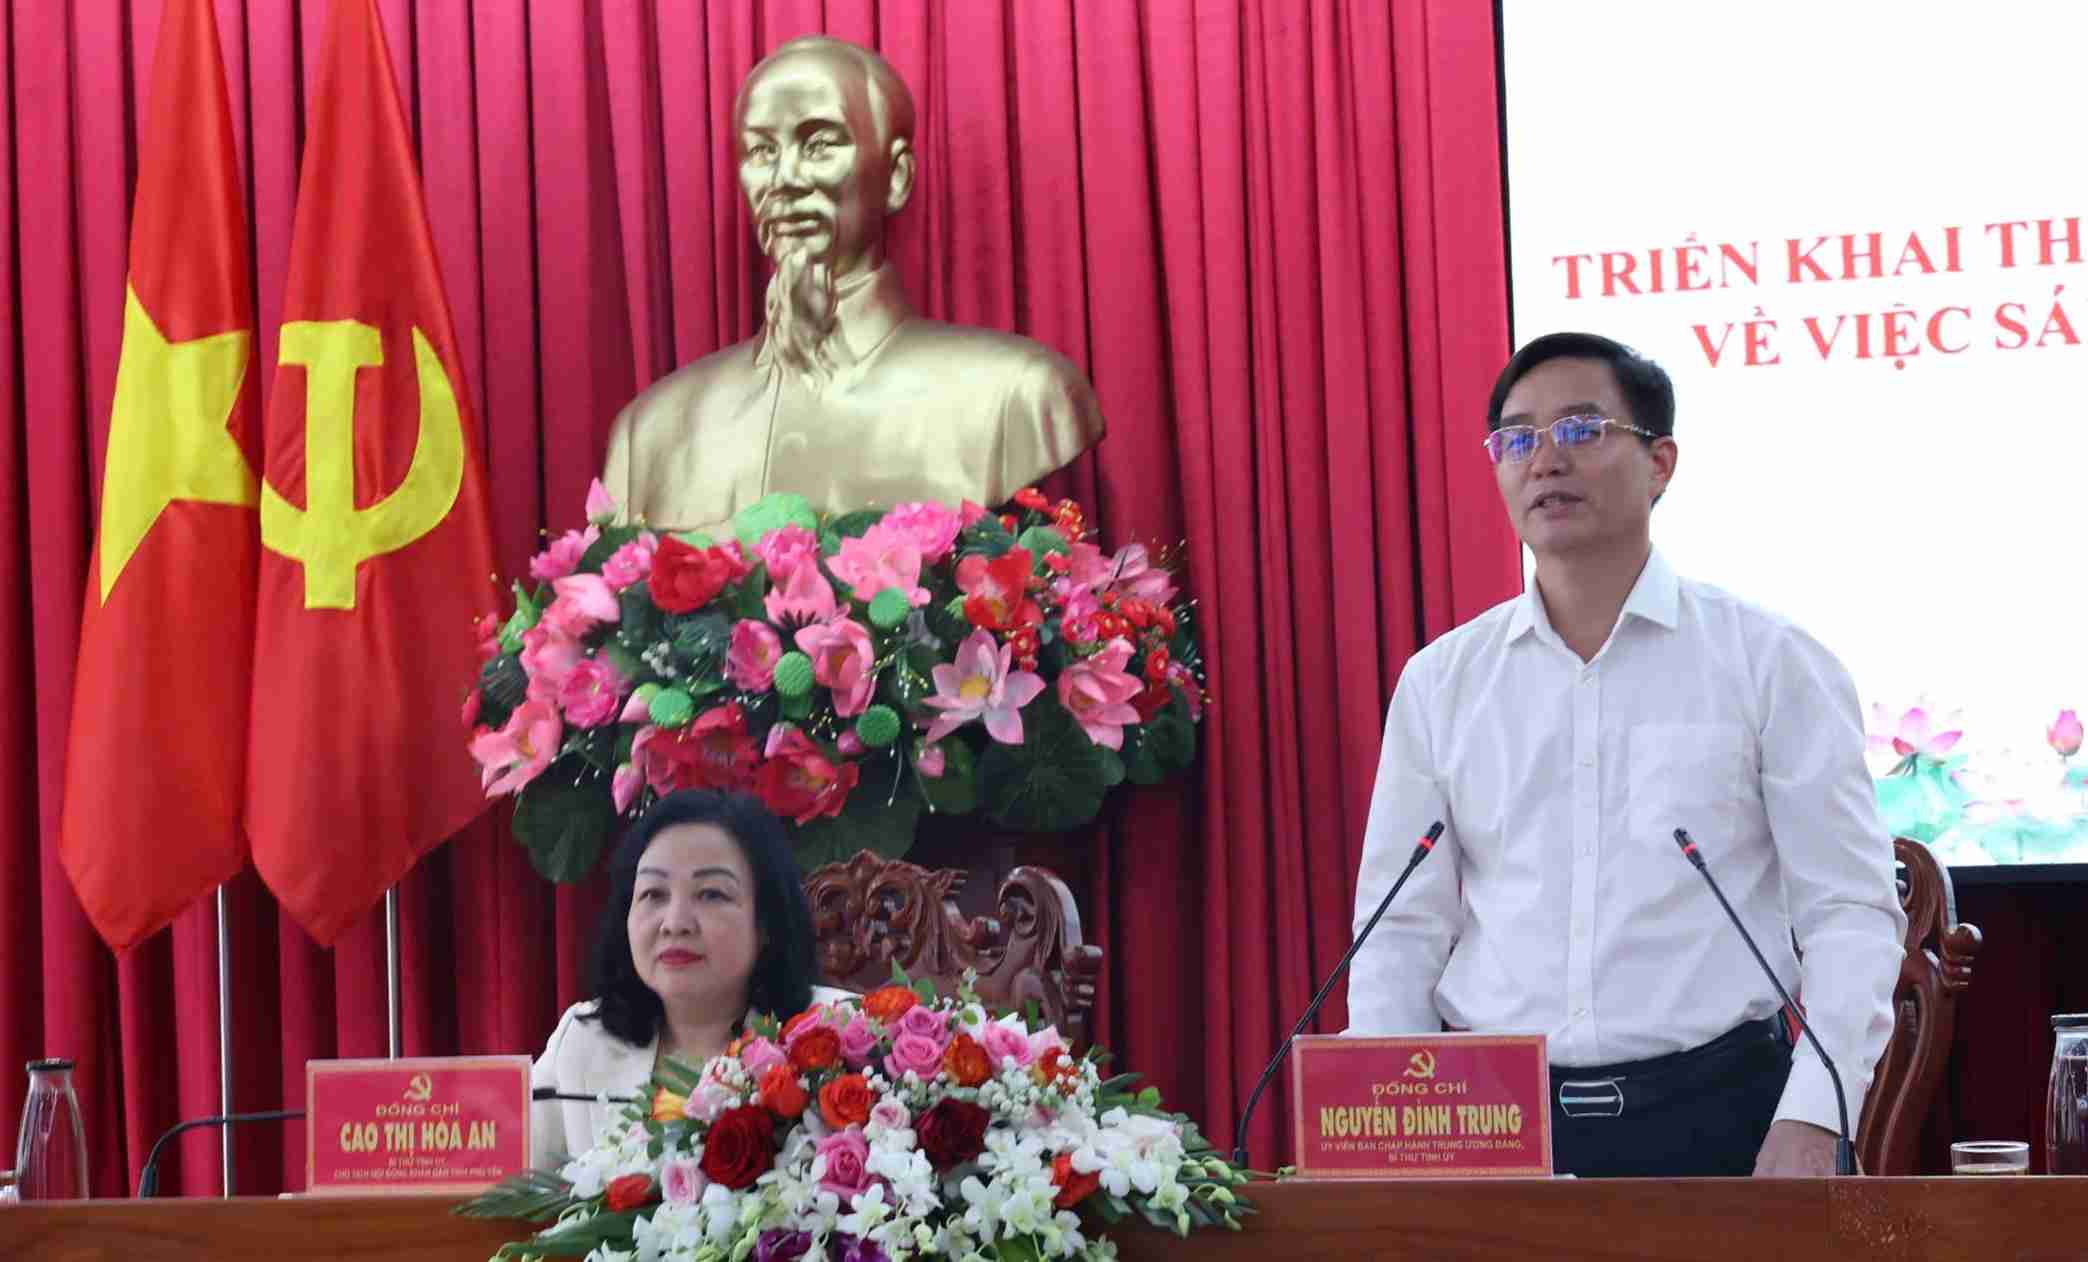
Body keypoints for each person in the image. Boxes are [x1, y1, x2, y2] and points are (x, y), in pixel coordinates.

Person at [1344, 331, 1906, 1178]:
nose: (1544, 461)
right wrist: (1393, 1122)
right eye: (1518, 439)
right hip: (1495, 1126)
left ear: (1661, 463)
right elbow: (1400, 930)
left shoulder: (1771, 662)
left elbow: (1848, 913)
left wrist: (1816, 1115)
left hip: (1725, 1119)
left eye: (1579, 430)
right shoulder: (1442, 683)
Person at [601, 35, 1105, 537]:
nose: (785, 178)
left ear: (896, 177)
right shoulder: (646, 436)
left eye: (819, 144)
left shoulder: (1016, 395)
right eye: (761, 150)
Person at [529, 789, 847, 1168]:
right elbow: (509, 1198)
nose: (675, 923)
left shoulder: (837, 1031)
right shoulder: (582, 1040)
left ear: (765, 922)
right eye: (653, 893)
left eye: (711, 894)